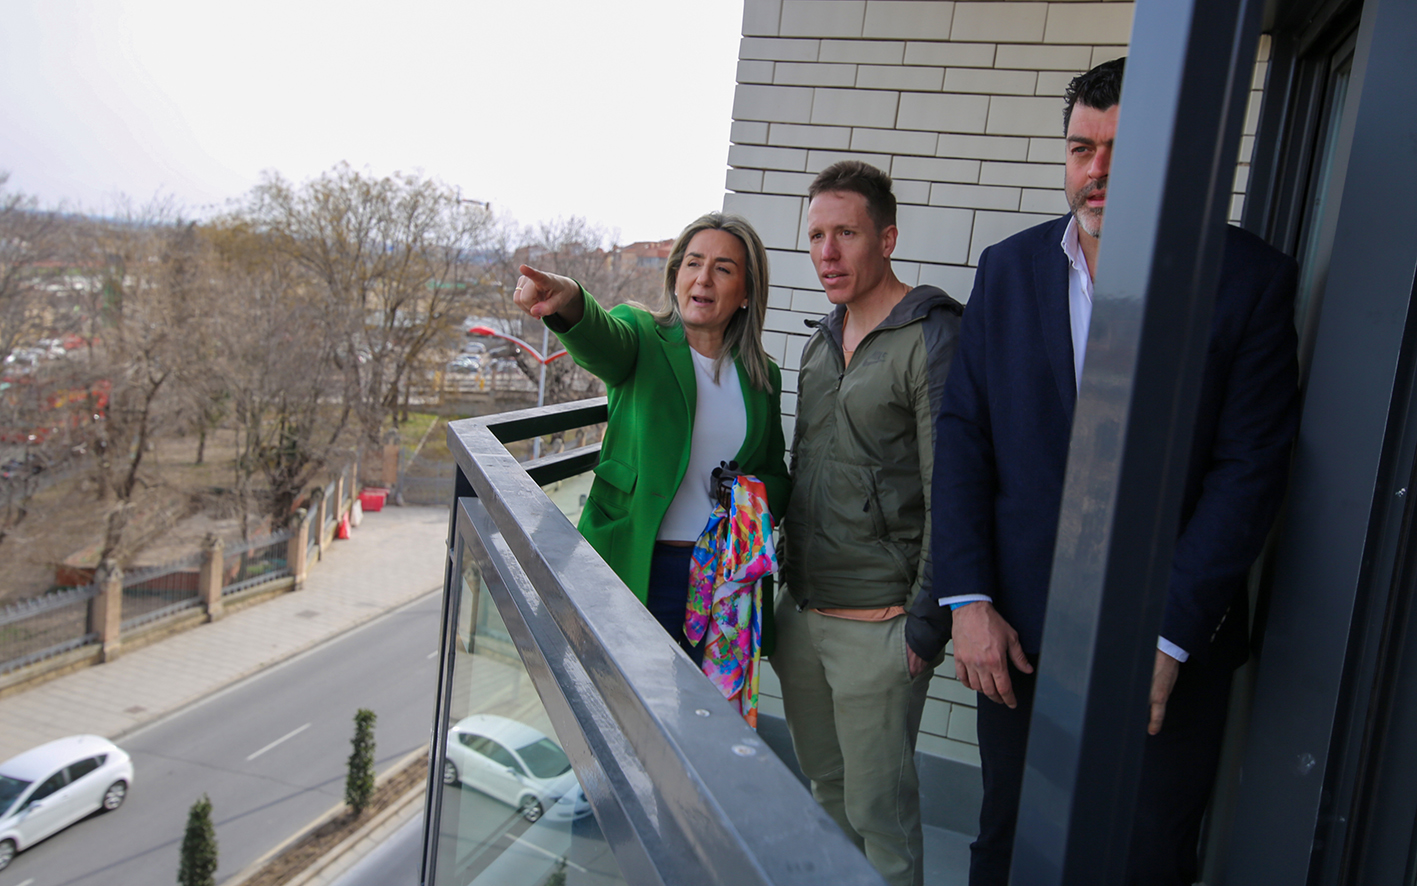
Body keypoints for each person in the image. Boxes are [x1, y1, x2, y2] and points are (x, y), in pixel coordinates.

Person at [919, 58, 1301, 885]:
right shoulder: (1010, 269)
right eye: (1080, 148)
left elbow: (1249, 468)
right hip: (1014, 636)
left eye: (1118, 151)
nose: (1095, 173)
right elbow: (963, 436)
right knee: (1007, 845)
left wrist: (1167, 636)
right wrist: (968, 600)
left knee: (1144, 858)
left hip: (1165, 644)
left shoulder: (1249, 282)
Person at [775, 160, 962, 886]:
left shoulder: (930, 335)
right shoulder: (818, 345)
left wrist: (924, 621)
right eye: (816, 235)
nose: (826, 251)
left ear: (885, 238)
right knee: (825, 795)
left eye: (845, 233)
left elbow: (952, 485)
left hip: (879, 623)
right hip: (803, 613)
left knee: (881, 817)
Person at [512, 212, 790, 660]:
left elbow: (777, 477)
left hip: (724, 581)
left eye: (723, 269)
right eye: (693, 263)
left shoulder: (763, 377)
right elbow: (602, 339)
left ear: (745, 293)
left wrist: (747, 494)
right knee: (622, 711)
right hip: (637, 562)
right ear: (676, 274)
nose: (704, 278)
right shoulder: (642, 335)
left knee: (703, 718)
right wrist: (570, 300)